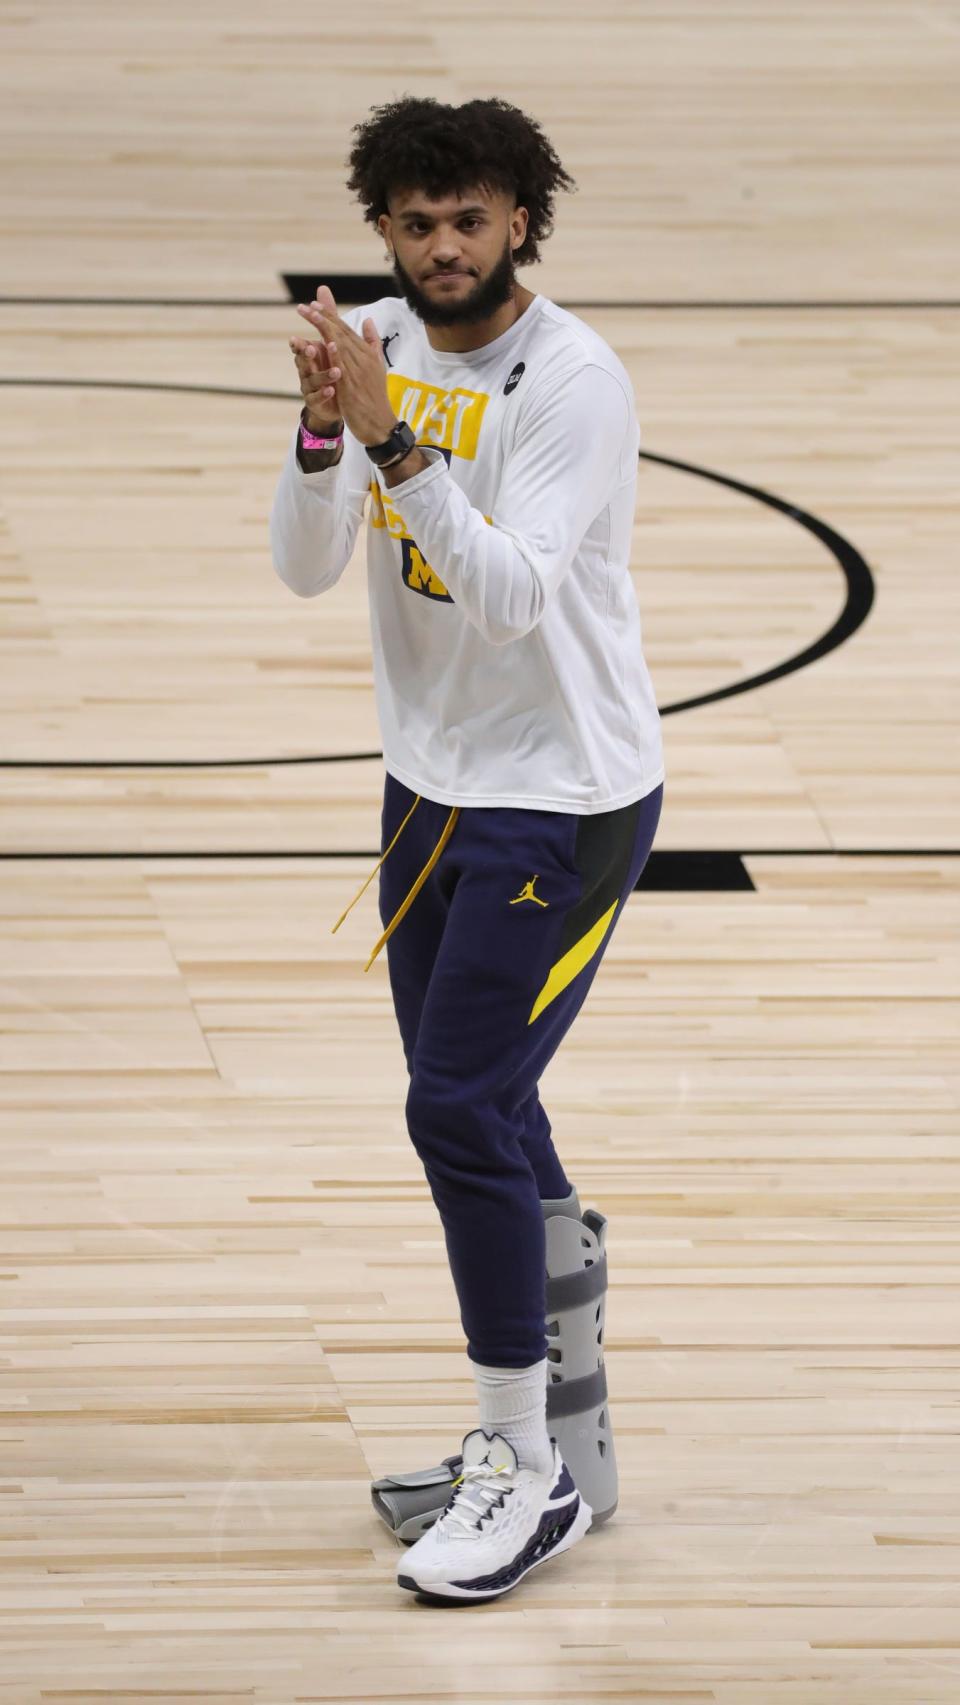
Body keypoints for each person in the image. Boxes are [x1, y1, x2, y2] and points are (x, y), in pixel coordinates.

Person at [269, 94, 664, 1604]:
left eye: (472, 221)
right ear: (385, 226)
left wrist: (385, 431)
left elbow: (503, 593)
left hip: (562, 800)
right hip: (427, 787)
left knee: (453, 1107)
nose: (444, 248)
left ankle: (527, 1463)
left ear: (523, 224)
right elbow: (307, 568)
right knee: (491, 1105)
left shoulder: (574, 382)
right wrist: (323, 425)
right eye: (418, 223)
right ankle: (574, 1443)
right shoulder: (374, 346)